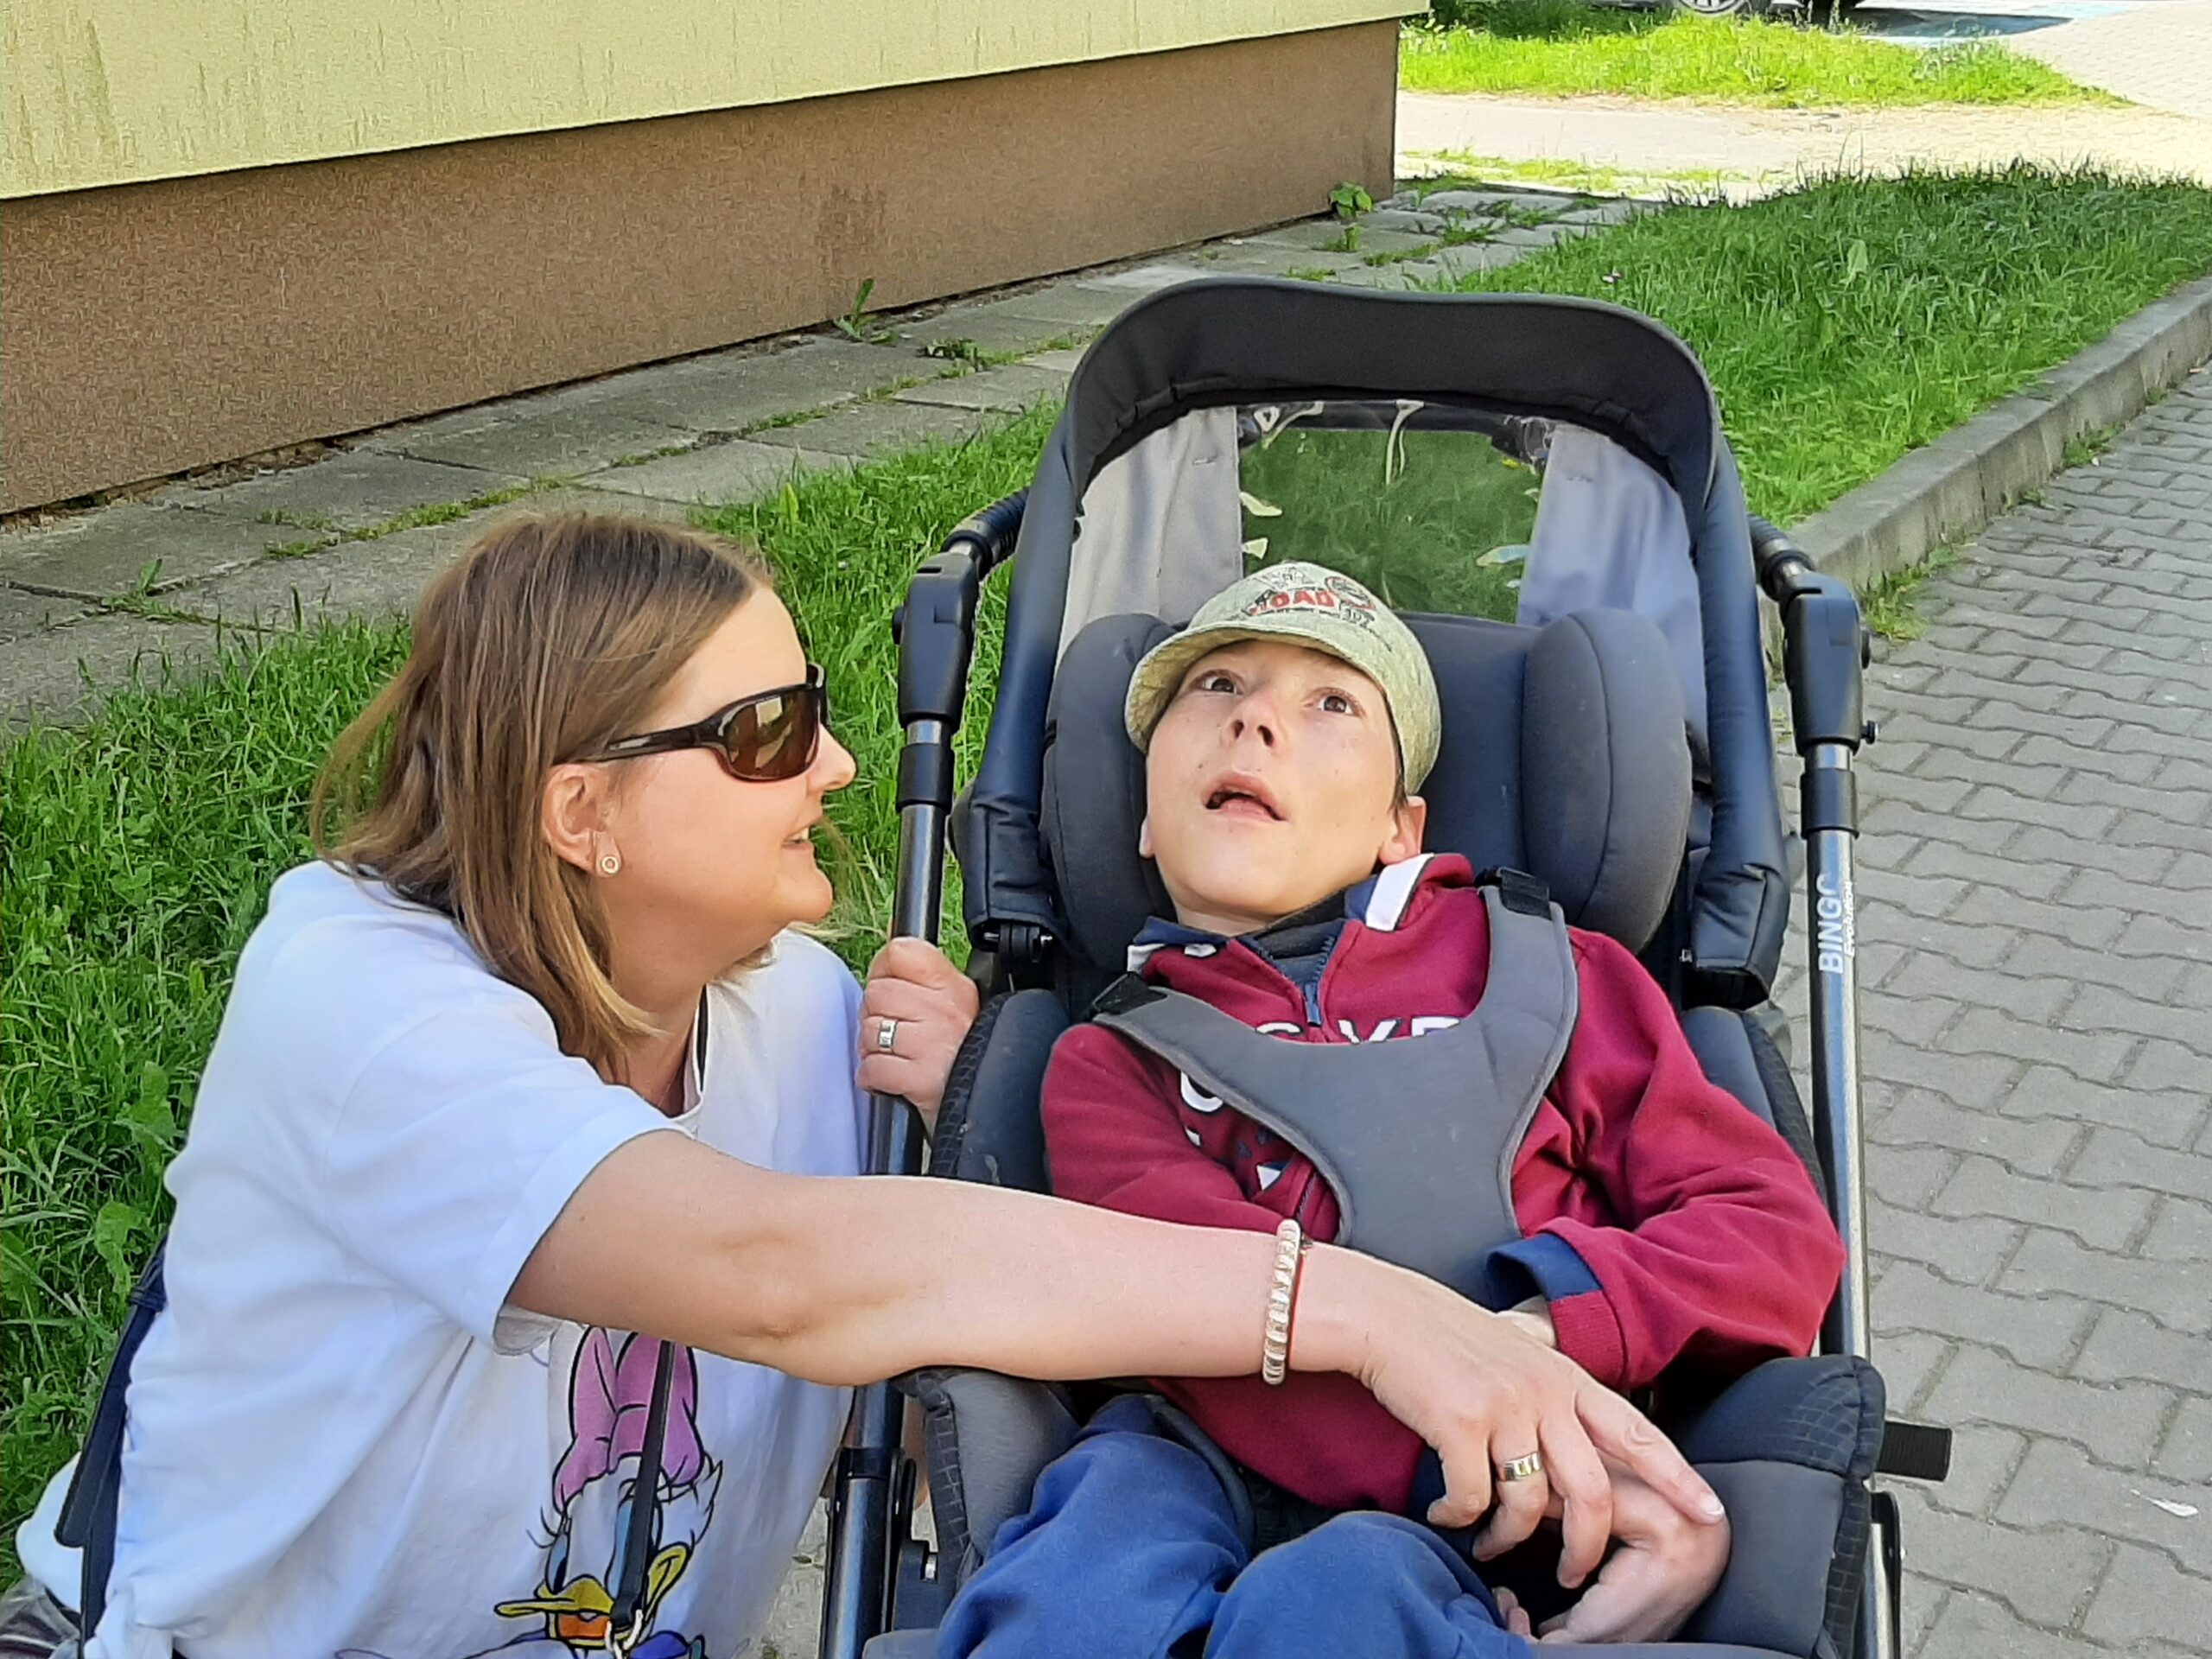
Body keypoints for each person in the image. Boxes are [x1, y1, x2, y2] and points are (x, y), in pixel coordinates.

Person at [3, 519, 1725, 1659]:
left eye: (820, 713)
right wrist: (1370, 1311)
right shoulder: (356, 1001)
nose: (832, 764)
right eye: (764, 735)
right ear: (580, 813)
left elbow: (986, 1279)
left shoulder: (800, 1022)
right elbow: (784, 1274)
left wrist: (985, 1087)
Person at [938, 563, 1844, 1657]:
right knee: (1071, 1590)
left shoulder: (1555, 979)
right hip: (1197, 1452)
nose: (1256, 720)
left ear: (1399, 827)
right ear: (1144, 818)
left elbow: (1769, 1231)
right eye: (1216, 685)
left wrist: (1529, 1342)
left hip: (1492, 1496)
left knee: (1336, 1598)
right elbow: (1190, 1294)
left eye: (1332, 703)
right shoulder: (1108, 1059)